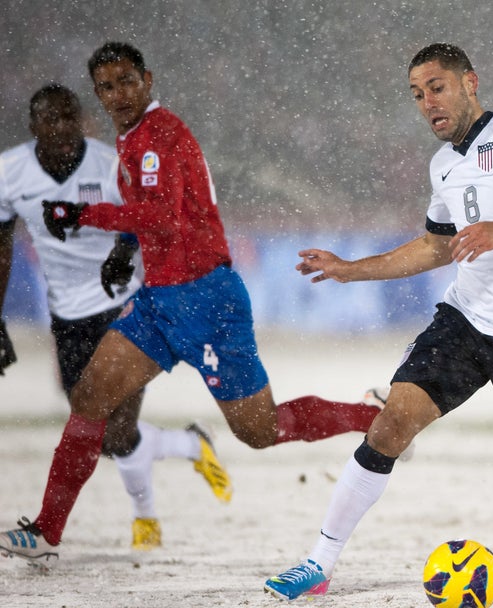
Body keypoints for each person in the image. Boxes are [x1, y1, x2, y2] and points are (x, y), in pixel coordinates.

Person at [264, 43, 493, 602]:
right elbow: (437, 248)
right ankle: (319, 562)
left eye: (437, 87)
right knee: (390, 426)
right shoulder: (443, 166)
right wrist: (350, 269)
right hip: (465, 320)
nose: (427, 102)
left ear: (470, 83)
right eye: (416, 94)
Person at [0, 42, 381, 566]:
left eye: (127, 81)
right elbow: (151, 217)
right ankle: (47, 531)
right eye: (107, 86)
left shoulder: (158, 137)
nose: (118, 94)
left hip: (206, 301)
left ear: (147, 80)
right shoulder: (133, 138)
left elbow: (159, 216)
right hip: (160, 300)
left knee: (259, 431)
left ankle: (373, 418)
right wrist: (125, 250)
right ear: (98, 94)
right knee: (89, 396)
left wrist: (83, 214)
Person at [0, 83, 235, 551]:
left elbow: (145, 216)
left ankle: (129, 523)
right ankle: (189, 445)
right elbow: (2, 244)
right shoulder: (9, 172)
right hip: (66, 315)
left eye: (71, 117)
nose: (64, 128)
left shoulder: (109, 164)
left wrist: (124, 253)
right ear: (34, 127)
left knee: (114, 428)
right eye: (52, 119)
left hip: (122, 305)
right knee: (97, 434)